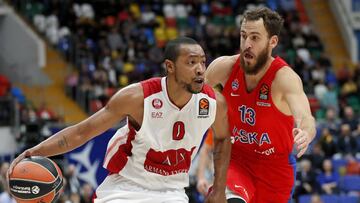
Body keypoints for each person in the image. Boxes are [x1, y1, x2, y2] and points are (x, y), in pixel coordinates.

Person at [8, 37, 231, 203]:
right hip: (125, 189)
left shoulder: (213, 104)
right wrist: (34, 152)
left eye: (202, 62)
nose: (201, 69)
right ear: (170, 66)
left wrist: (219, 189)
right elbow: (81, 132)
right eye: (191, 62)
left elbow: (222, 139)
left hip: (172, 193)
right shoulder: (137, 98)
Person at [205, 7, 316, 203]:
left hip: (275, 169)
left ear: (272, 42)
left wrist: (305, 132)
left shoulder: (284, 78)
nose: (247, 44)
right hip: (235, 160)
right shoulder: (223, 68)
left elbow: (306, 117)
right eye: (243, 36)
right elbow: (191, 99)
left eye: (255, 38)